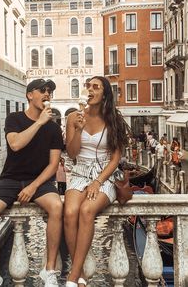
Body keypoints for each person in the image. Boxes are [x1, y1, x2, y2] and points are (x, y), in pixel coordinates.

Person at [0, 79, 64, 287]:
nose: (47, 94)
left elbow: (53, 165)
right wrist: (39, 123)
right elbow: (15, 144)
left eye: (50, 92)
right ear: (29, 95)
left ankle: (49, 270)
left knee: (56, 207)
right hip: (10, 178)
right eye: (42, 90)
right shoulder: (14, 118)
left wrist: (33, 186)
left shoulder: (53, 129)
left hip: (39, 181)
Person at [64, 76, 130, 287]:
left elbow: (115, 158)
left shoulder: (114, 120)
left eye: (96, 87)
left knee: (86, 211)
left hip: (105, 175)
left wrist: (98, 182)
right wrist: (79, 129)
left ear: (104, 94)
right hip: (79, 171)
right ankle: (80, 272)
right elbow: (72, 153)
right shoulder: (74, 117)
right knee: (70, 212)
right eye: (88, 86)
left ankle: (73, 277)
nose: (90, 90)